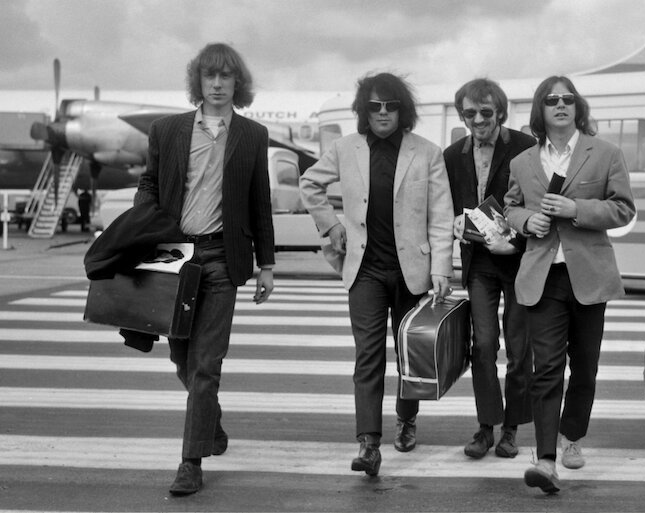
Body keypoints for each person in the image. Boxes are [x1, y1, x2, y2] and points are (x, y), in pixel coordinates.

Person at [133, 42, 275, 495]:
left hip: (221, 258)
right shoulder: (167, 130)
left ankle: (190, 463)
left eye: (225, 76)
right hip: (174, 257)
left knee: (206, 363)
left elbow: (259, 200)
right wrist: (141, 227)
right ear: (198, 82)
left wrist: (267, 264)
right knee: (182, 358)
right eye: (209, 76)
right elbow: (150, 183)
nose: (217, 84)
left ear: (237, 83)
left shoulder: (252, 135)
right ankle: (209, 424)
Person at [300, 72, 454, 477]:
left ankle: (407, 418)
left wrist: (442, 267)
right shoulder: (344, 148)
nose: (383, 112)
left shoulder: (427, 152)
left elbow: (441, 216)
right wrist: (331, 226)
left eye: (391, 105)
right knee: (367, 356)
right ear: (363, 111)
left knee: (409, 355)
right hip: (364, 270)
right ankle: (369, 443)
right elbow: (309, 183)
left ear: (403, 110)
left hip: (412, 272)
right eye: (374, 106)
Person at [503, 76, 635, 493]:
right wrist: (528, 220)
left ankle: (572, 435)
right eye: (551, 100)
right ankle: (545, 461)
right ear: (540, 110)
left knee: (585, 367)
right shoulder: (523, 162)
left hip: (589, 275)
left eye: (567, 98)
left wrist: (575, 208)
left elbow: (623, 209)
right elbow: (510, 207)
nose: (560, 105)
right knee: (546, 369)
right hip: (543, 276)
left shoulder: (605, 153)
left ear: (578, 107)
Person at [443, 78, 538, 460]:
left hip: (519, 259)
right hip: (478, 261)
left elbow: (537, 203)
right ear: (461, 115)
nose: (478, 120)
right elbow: (446, 204)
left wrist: (517, 242)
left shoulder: (525, 146)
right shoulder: (453, 155)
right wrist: (454, 221)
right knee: (482, 346)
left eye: (486, 112)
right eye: (470, 113)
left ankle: (511, 428)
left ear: (500, 111)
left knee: (519, 347)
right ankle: (486, 426)